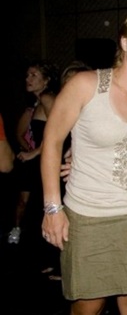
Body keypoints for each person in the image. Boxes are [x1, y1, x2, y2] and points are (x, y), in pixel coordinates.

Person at [40, 6, 127, 315]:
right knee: (89, 306)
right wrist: (52, 208)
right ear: (125, 42)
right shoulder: (86, 85)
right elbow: (51, 142)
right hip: (91, 217)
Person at [8, 59, 59, 245]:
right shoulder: (36, 103)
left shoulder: (48, 98)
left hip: (49, 160)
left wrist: (34, 152)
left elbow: (59, 131)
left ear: (46, 80)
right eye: (27, 75)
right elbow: (19, 133)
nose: (28, 79)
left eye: (33, 75)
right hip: (40, 159)